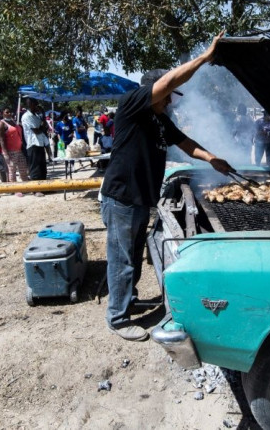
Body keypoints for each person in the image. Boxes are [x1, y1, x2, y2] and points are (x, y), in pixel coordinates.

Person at [100, 30, 234, 341]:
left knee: (131, 256)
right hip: (121, 197)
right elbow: (171, 82)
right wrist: (203, 58)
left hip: (138, 198)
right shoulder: (133, 104)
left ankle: (126, 300)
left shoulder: (161, 119)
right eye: (168, 95)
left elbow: (186, 144)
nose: (172, 100)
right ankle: (117, 318)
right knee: (121, 259)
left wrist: (213, 159)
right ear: (155, 91)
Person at [0, 106, 30, 194]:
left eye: (10, 112)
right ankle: (15, 189)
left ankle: (25, 186)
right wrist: (5, 153)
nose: (9, 114)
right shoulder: (2, 124)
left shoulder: (14, 122)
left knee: (23, 168)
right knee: (12, 170)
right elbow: (1, 139)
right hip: (10, 151)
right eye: (7, 112)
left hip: (20, 149)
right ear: (2, 113)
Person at [20, 98, 50, 192]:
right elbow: (36, 131)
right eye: (37, 105)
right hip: (33, 144)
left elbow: (45, 127)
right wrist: (42, 127)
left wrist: (44, 116)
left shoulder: (36, 116)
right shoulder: (27, 116)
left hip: (40, 143)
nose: (38, 107)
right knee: (35, 168)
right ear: (32, 105)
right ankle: (36, 190)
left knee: (42, 167)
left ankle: (44, 188)